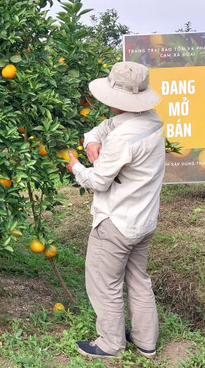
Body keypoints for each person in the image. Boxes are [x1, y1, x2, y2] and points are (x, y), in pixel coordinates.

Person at [65, 61, 165, 359]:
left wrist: (75, 166)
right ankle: (146, 341)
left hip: (116, 223)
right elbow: (107, 126)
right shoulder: (151, 120)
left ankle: (110, 344)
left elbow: (97, 182)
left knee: (104, 283)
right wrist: (92, 140)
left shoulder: (122, 139)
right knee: (138, 279)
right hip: (144, 221)